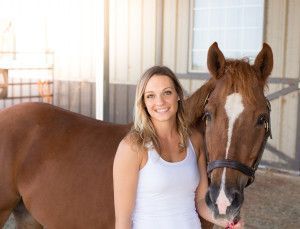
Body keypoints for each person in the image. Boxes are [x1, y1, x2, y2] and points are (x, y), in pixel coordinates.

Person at [113, 66, 243, 229]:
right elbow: (123, 220)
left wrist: (227, 221)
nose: (159, 102)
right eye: (150, 96)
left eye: (167, 92)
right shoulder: (132, 147)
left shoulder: (194, 140)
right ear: (143, 103)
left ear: (178, 95)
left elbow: (201, 201)